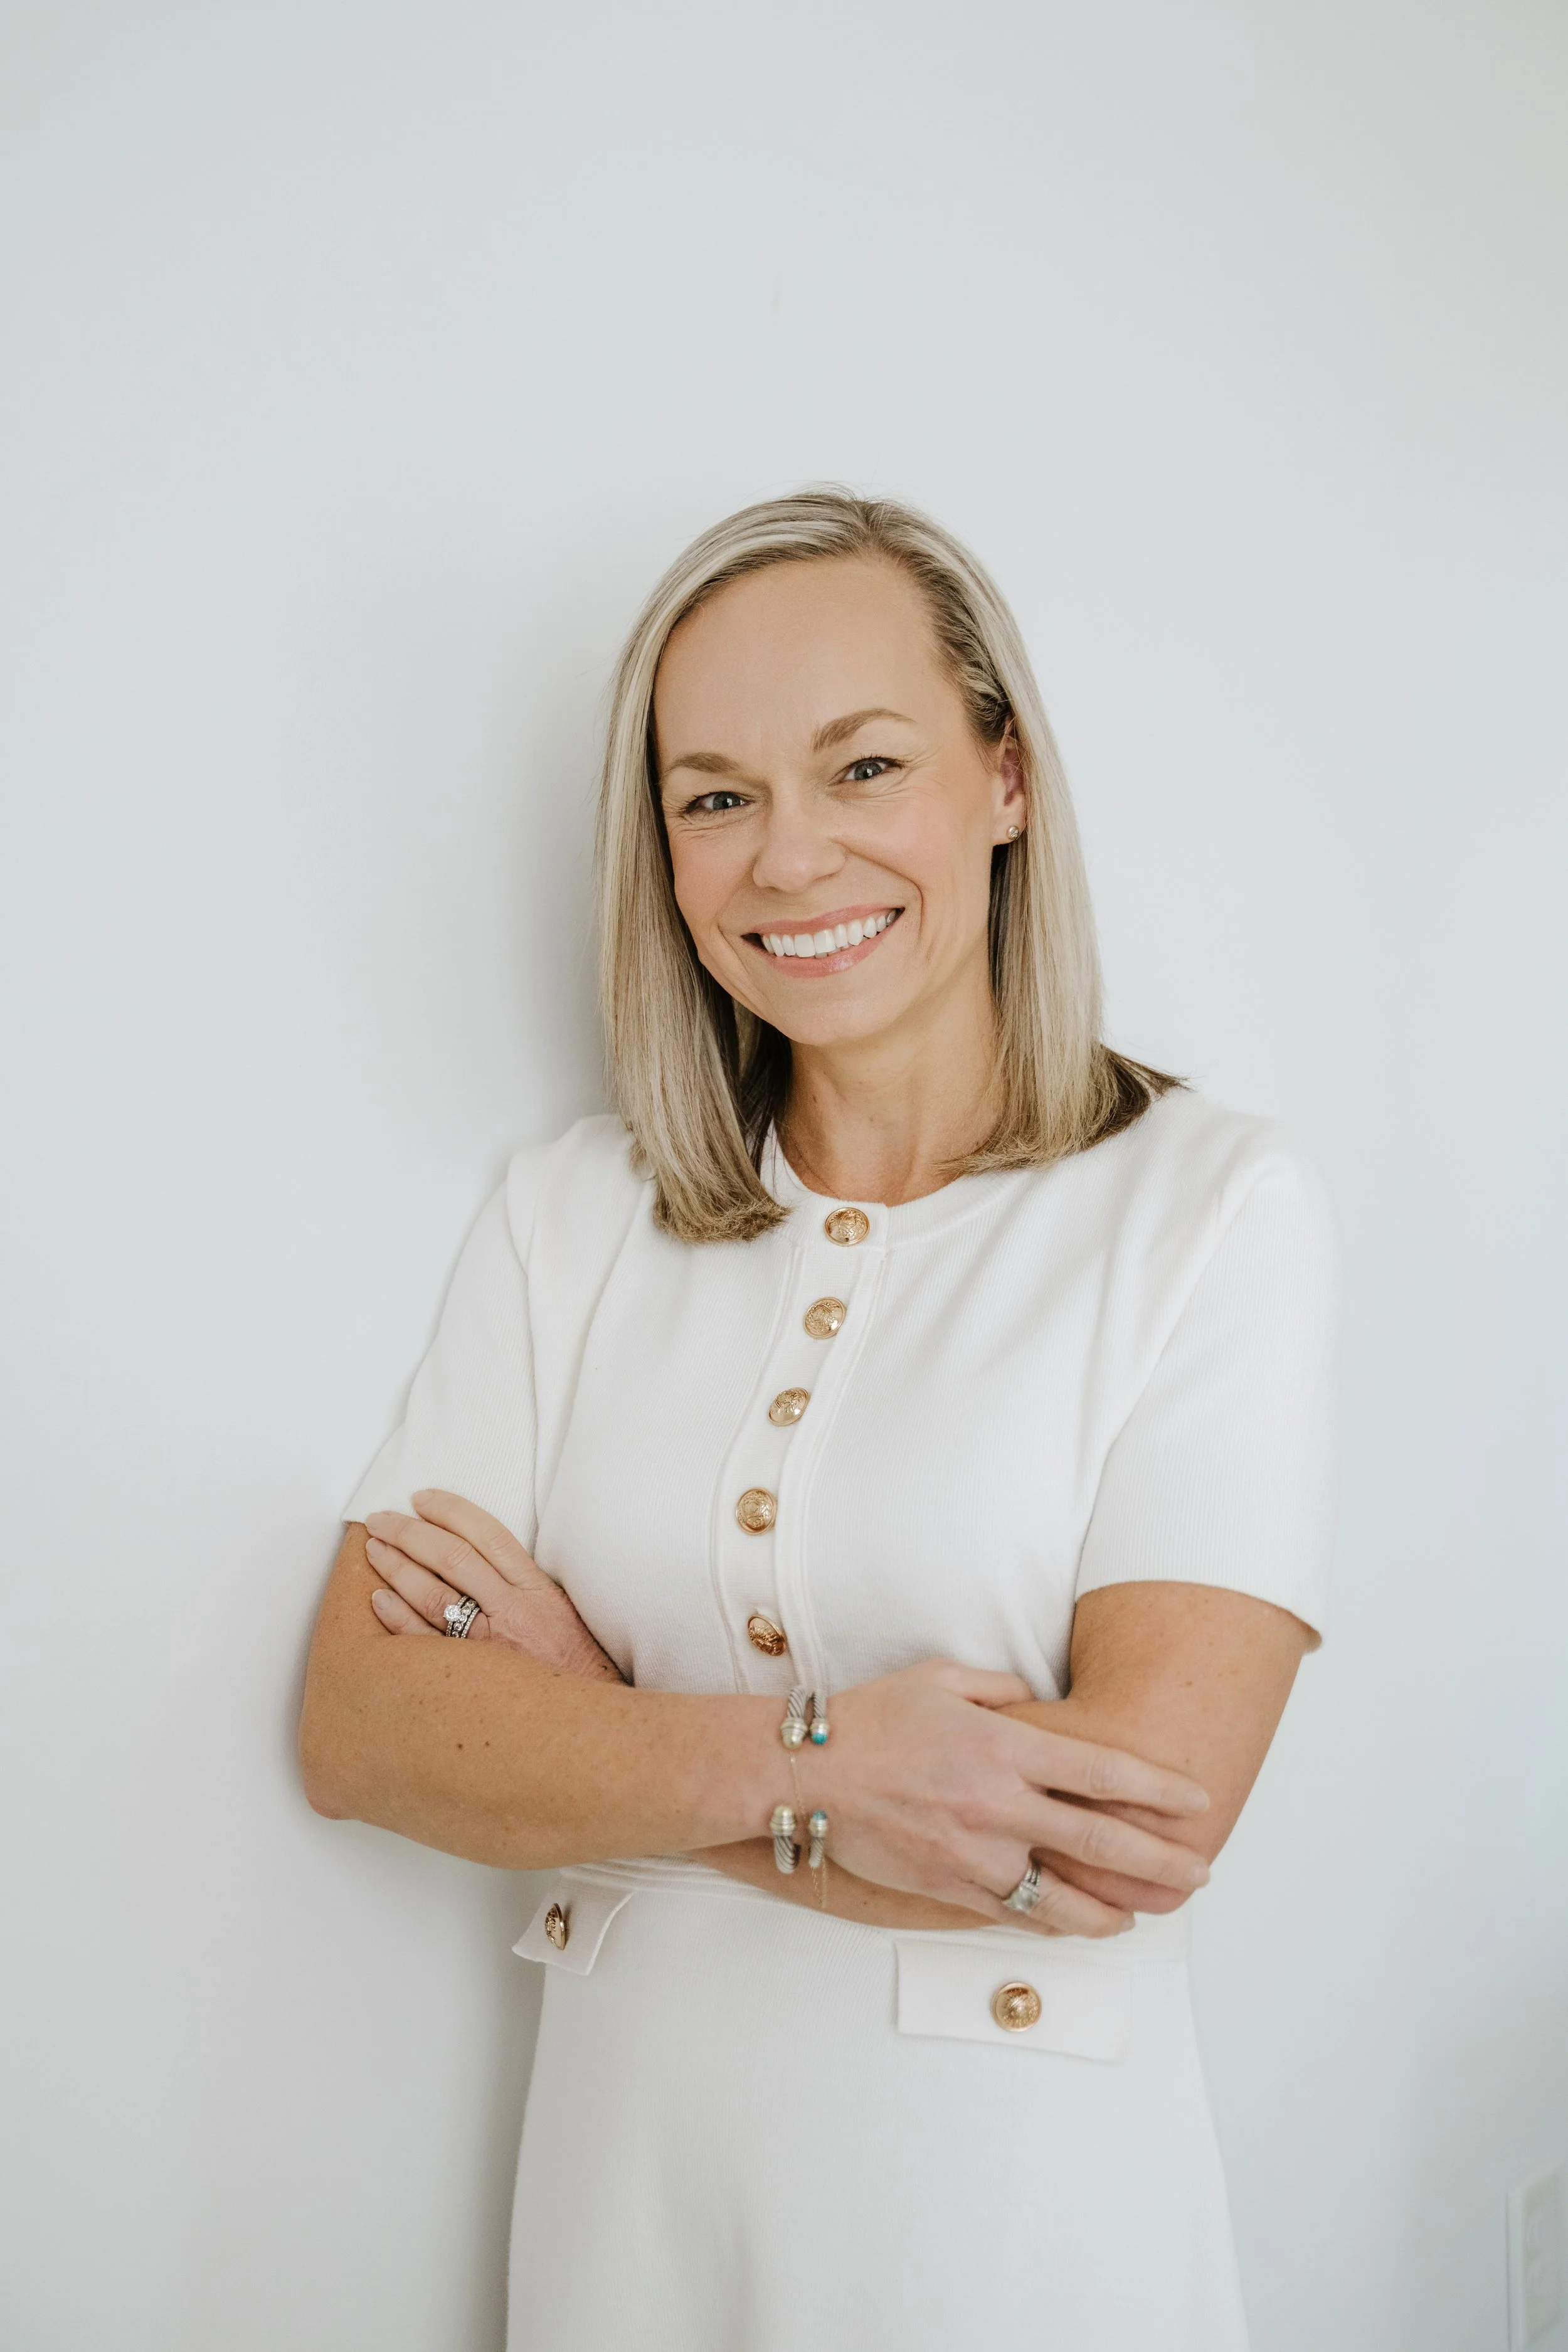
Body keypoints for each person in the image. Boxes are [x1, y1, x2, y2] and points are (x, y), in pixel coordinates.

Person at [299, 490, 1340, 2351]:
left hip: (1016, 2237)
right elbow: (364, 1730)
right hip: (628, 2237)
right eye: (714, 795)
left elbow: (1125, 1834)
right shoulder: (569, 1216)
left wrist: (593, 1741)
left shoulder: (1208, 1208)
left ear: (1002, 776)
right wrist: (835, 1766)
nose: (790, 856)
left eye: (862, 765)